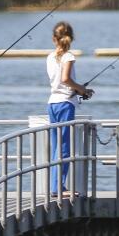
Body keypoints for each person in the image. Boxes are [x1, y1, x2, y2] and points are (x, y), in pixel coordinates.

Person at [45, 21, 92, 195]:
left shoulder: (50, 57)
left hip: (52, 103)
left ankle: (54, 186)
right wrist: (82, 89)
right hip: (65, 104)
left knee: (56, 145)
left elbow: (57, 81)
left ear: (53, 39)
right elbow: (65, 79)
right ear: (71, 38)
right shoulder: (68, 56)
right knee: (64, 147)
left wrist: (78, 89)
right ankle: (58, 188)